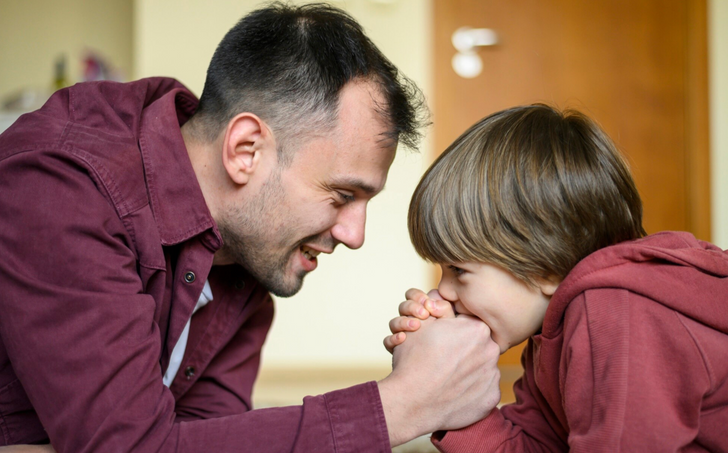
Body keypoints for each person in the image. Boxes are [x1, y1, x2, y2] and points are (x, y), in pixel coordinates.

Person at [0, 3, 503, 451]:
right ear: (246, 151)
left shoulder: (244, 258)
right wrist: (405, 405)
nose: (355, 235)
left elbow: (206, 436)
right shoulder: (62, 186)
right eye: (342, 195)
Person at [385, 104, 728, 452]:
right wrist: (449, 394)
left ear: (544, 268)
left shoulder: (611, 314)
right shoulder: (552, 334)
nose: (442, 291)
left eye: (459, 270)